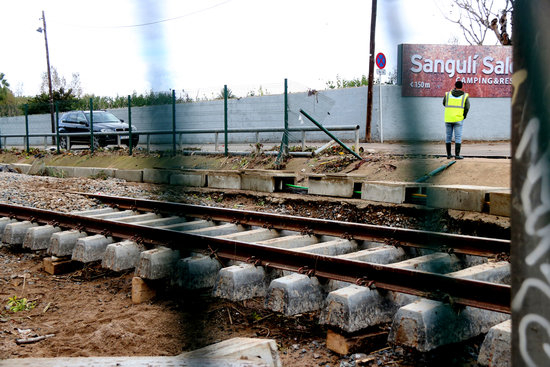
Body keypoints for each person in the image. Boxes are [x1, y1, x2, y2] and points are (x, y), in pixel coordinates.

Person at [442, 80, 470, 159]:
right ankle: (457, 155)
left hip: (448, 118)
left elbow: (444, 103)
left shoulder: (448, 94)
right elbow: (467, 107)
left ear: (455, 86)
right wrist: (464, 115)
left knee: (448, 136)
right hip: (458, 119)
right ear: (462, 87)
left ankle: (448, 155)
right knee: (458, 137)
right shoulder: (465, 96)